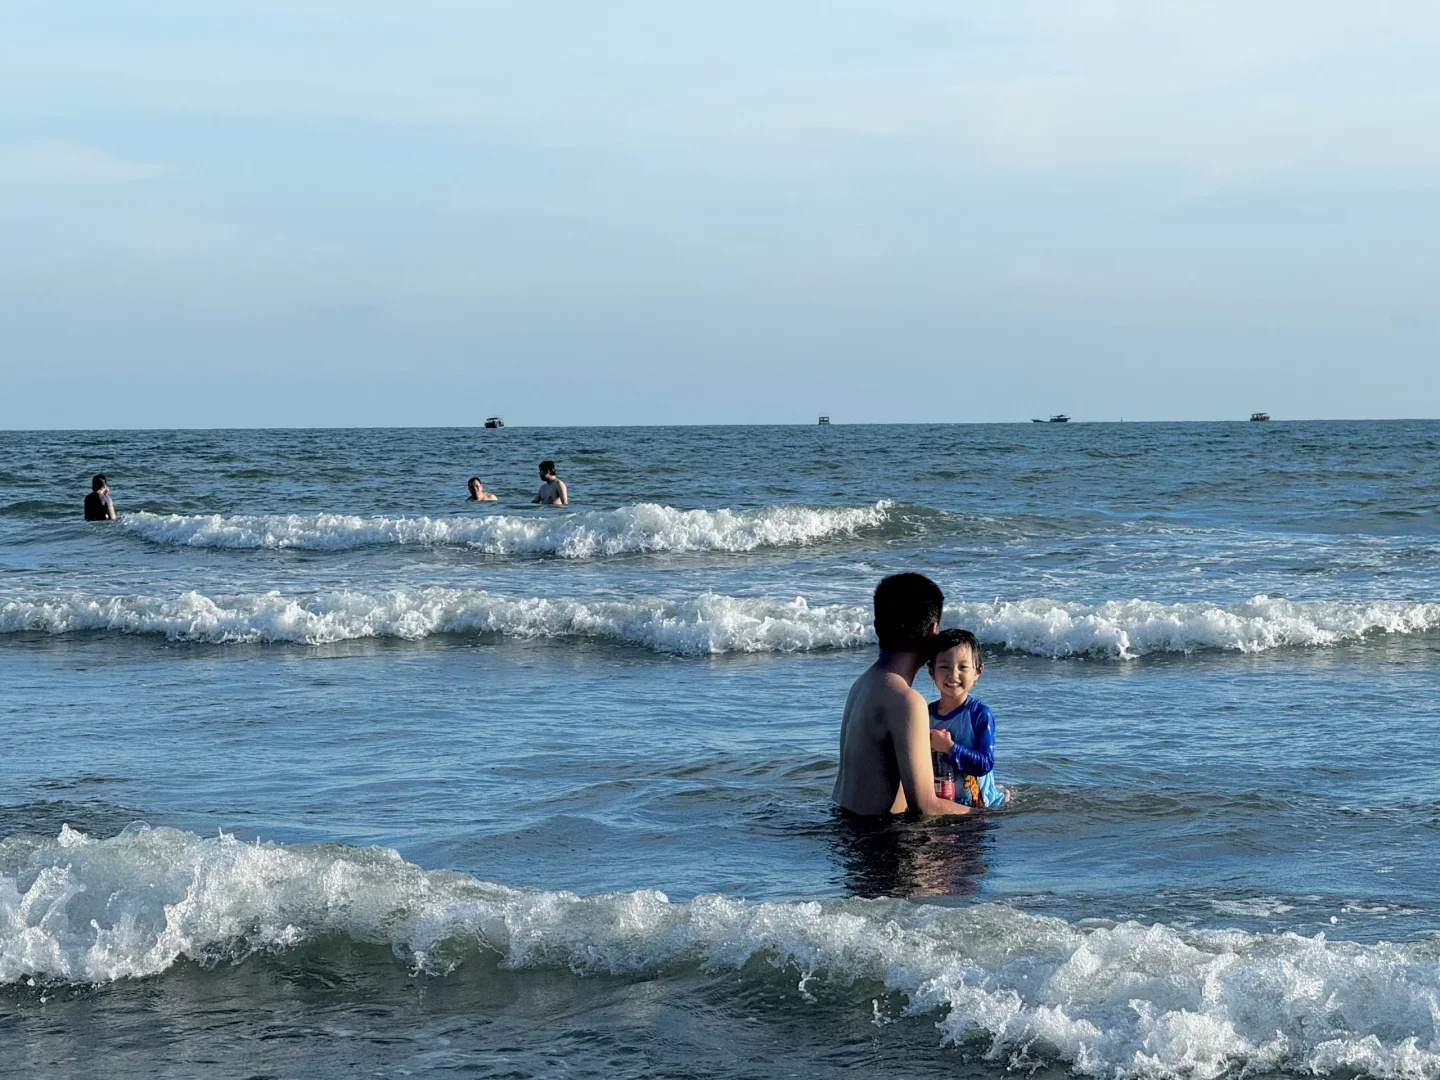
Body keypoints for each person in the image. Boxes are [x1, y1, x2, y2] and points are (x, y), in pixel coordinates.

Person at [832, 573, 973, 817]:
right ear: (933, 630)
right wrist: (993, 816)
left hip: (845, 825)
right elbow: (926, 807)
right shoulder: (906, 700)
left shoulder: (863, 684)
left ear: (877, 628)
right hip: (880, 841)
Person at [926, 629, 1005, 808]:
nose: (953, 674)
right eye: (944, 667)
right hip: (943, 804)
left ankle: (1000, 796)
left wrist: (949, 748)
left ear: (978, 671)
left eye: (963, 667)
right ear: (932, 671)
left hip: (978, 809)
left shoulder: (979, 714)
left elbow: (985, 764)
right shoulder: (925, 714)